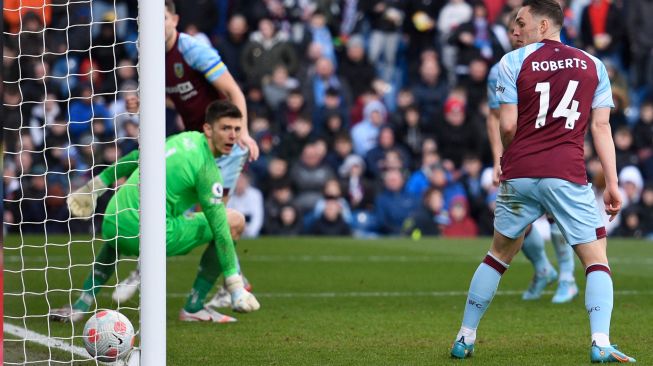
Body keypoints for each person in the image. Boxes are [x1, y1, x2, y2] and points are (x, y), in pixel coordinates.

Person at [451, 1, 636, 362]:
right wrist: (612, 183)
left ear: (545, 24)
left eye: (522, 21)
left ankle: (465, 336)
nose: (516, 29)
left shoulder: (511, 62)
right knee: (596, 260)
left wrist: (511, 156)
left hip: (519, 173)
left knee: (497, 256)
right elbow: (600, 128)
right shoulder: (592, 65)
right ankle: (600, 343)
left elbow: (506, 126)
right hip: (566, 174)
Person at [50, 101, 260, 323]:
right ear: (208, 129)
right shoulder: (208, 170)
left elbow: (135, 158)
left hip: (111, 224)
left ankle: (81, 304)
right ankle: (194, 307)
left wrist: (94, 187)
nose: (232, 135)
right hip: (147, 238)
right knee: (234, 220)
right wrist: (235, 285)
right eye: (225, 128)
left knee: (130, 212)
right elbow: (220, 228)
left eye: (237, 129)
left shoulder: (182, 139)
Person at [111, 0, 261, 304]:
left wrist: (242, 131)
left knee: (217, 216)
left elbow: (233, 92)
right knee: (185, 211)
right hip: (196, 144)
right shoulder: (151, 56)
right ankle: (228, 281)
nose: (157, 24)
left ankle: (222, 285)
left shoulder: (192, 50)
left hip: (224, 145)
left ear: (174, 20)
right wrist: (141, 103)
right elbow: (177, 98)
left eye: (162, 18)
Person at [486, 11, 578, 303]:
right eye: (513, 28)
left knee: (558, 215)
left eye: (521, 26)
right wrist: (498, 158)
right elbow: (495, 118)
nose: (516, 33)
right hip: (521, 155)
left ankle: (567, 277)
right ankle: (543, 269)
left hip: (556, 150)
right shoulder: (500, 69)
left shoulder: (563, 63)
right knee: (517, 220)